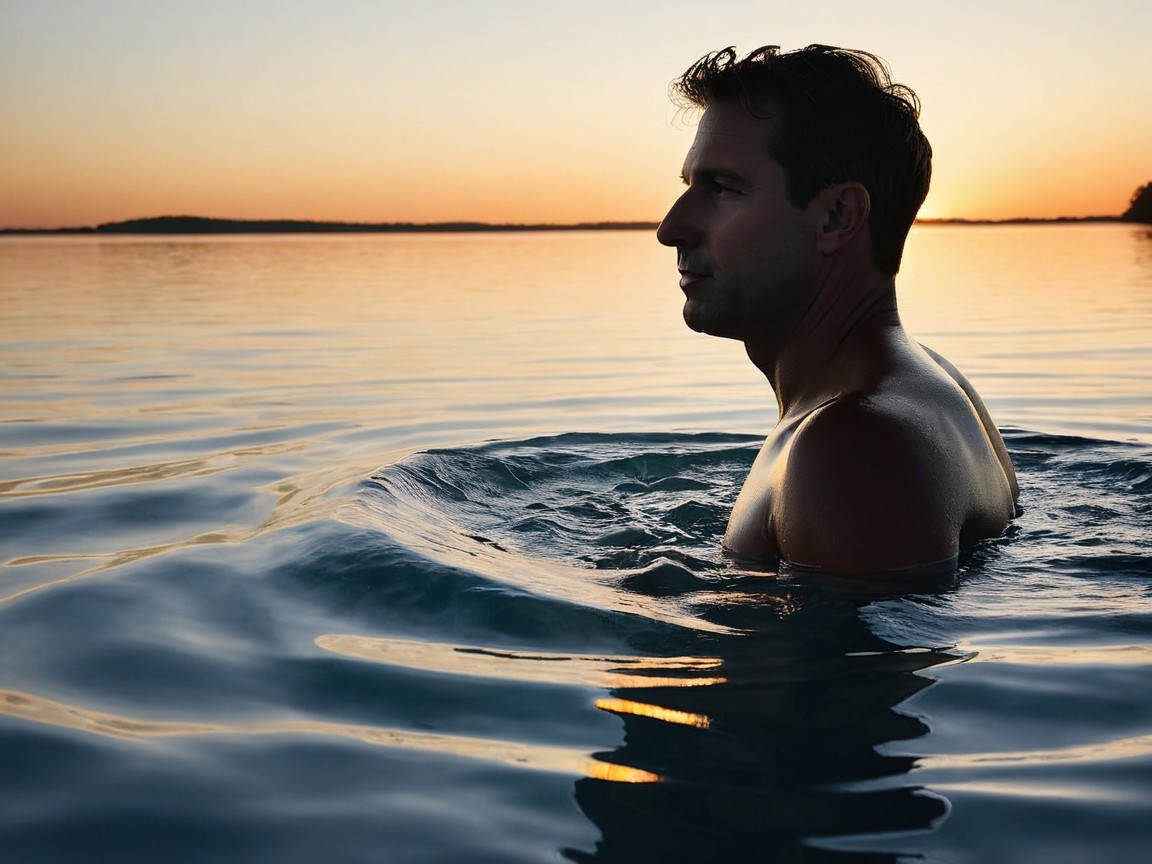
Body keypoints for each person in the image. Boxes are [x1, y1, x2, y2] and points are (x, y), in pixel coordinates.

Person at [656, 45, 1018, 576]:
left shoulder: (852, 448)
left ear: (836, 218)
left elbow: (853, 657)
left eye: (723, 188)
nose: (671, 229)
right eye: (690, 186)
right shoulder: (929, 382)